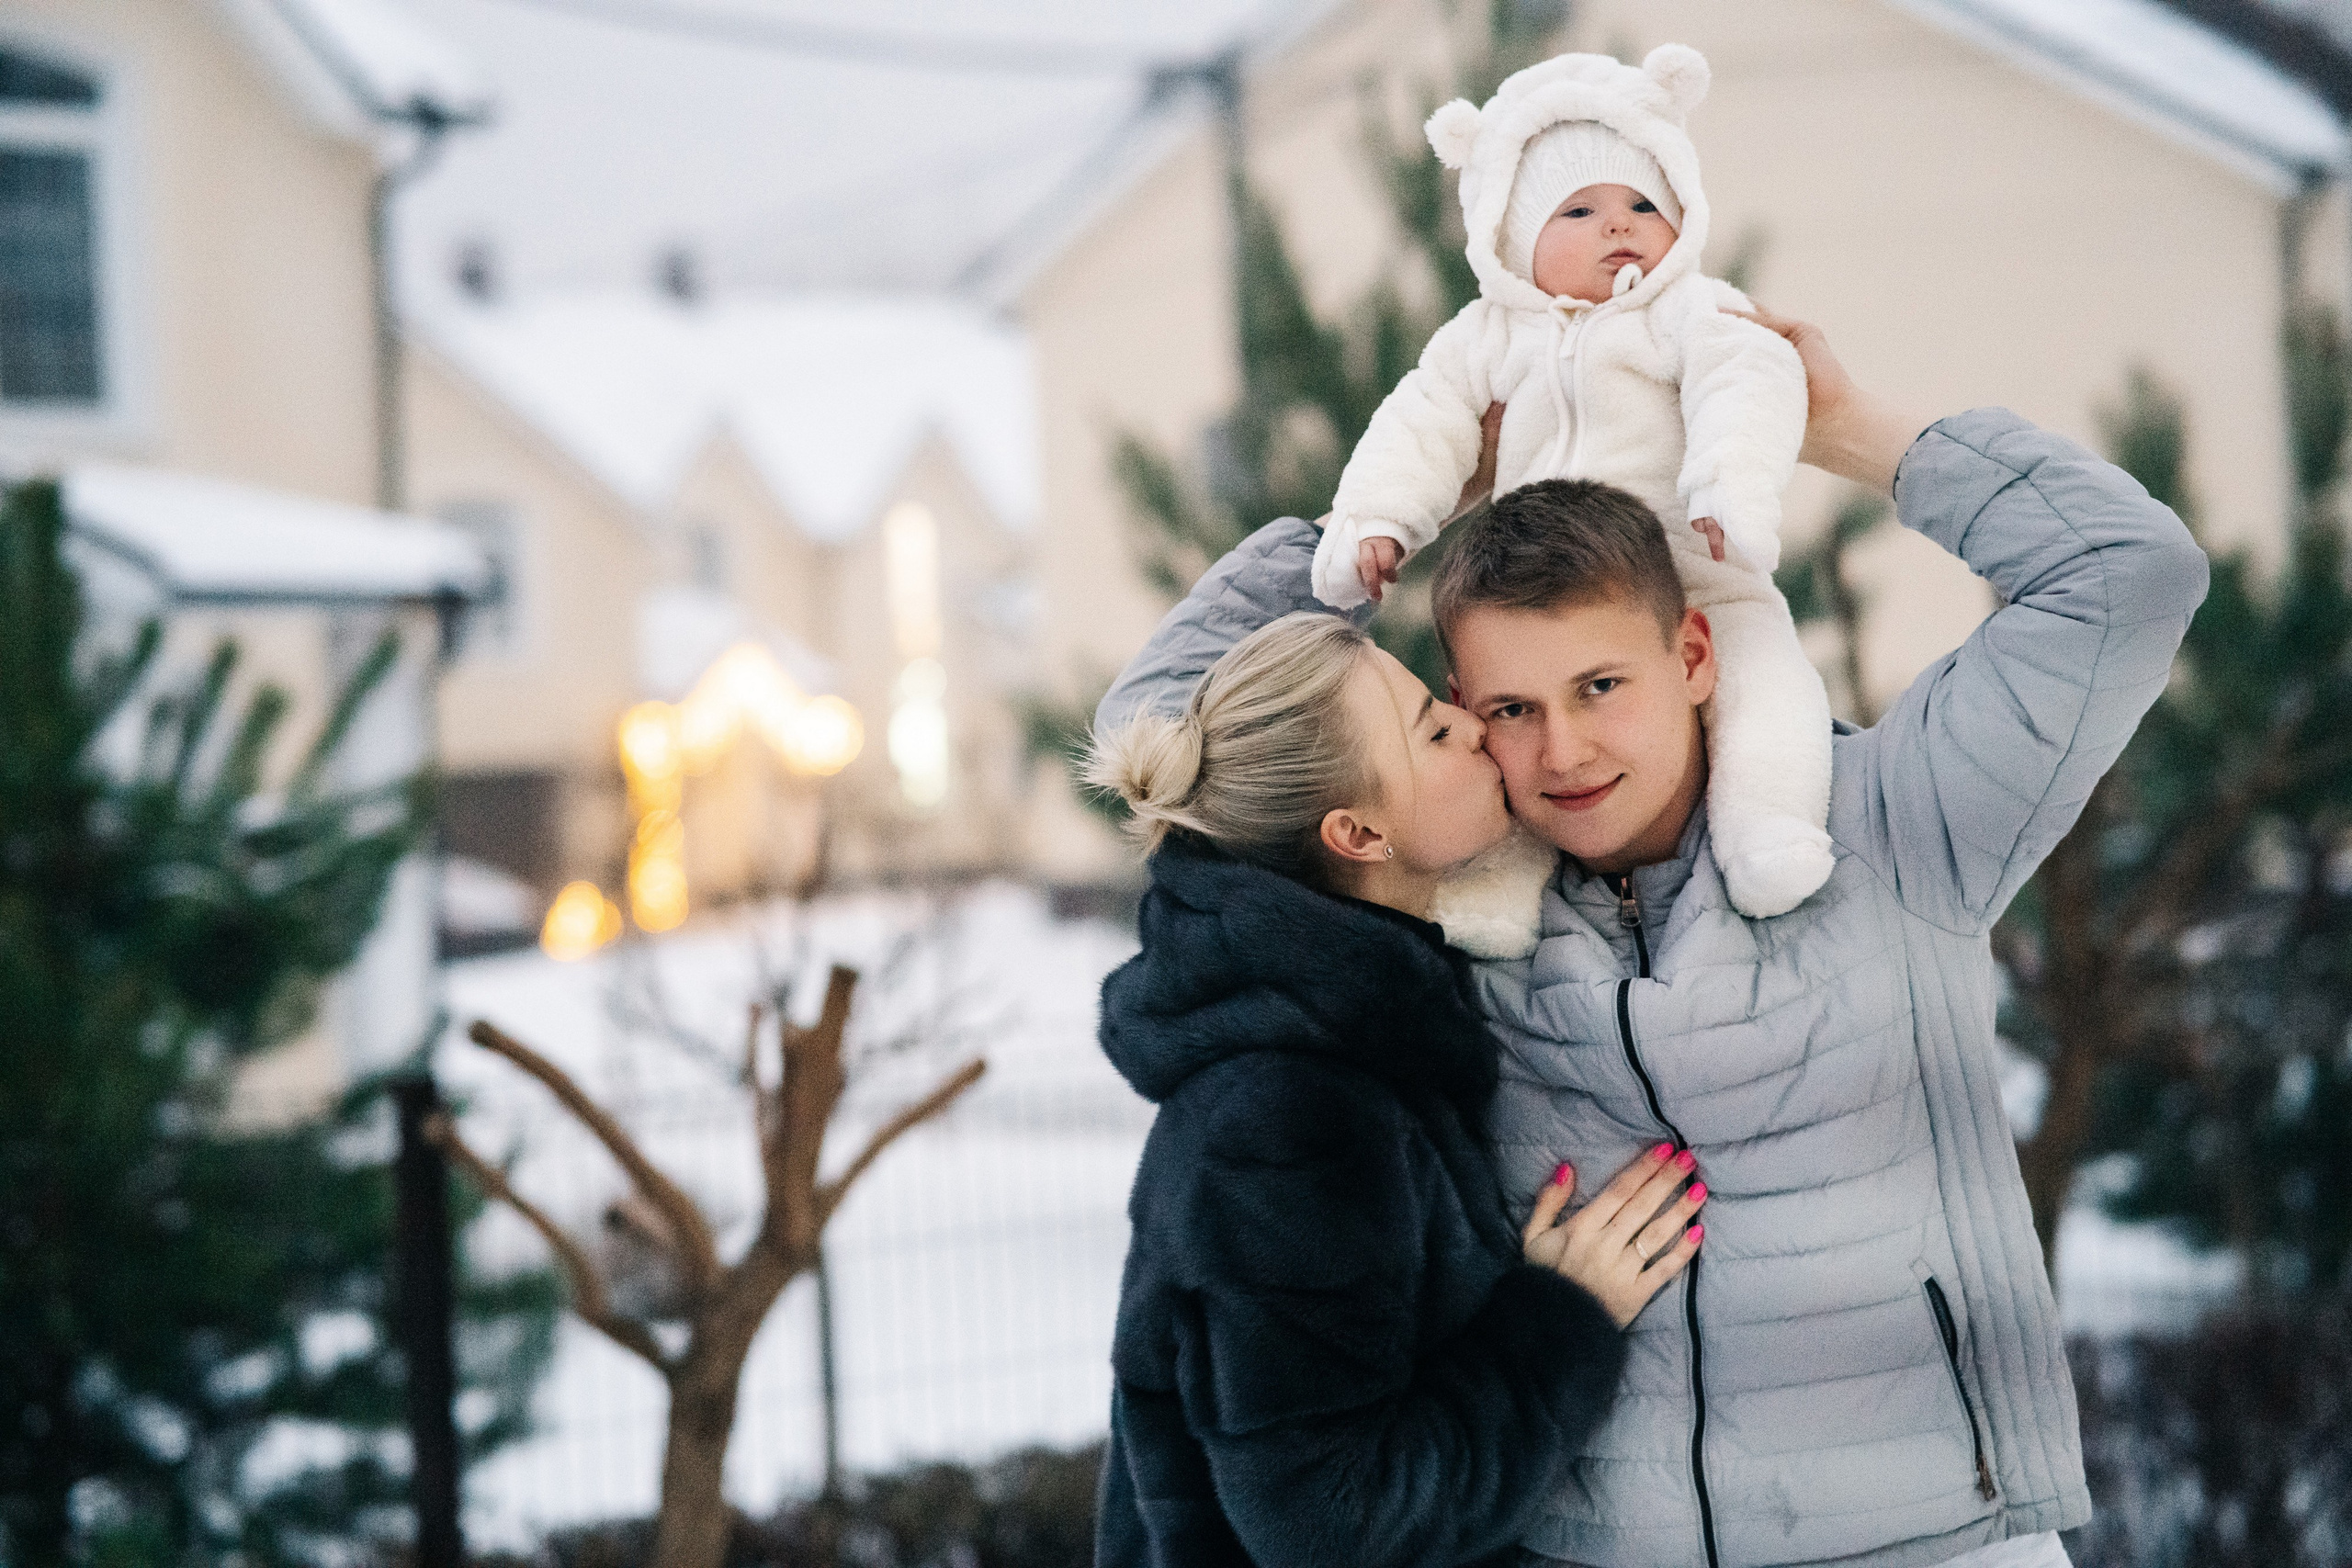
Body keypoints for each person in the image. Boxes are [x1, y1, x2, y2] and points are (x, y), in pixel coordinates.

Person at [1094, 310, 2210, 1568]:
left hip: (1933, 1538)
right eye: (1509, 708)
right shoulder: (1458, 910)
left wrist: (1837, 427)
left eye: (1600, 687)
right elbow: (1188, 742)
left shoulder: (1894, 825)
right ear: (1461, 709)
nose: (1563, 751)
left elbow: (2130, 572)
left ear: (1690, 653)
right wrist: (1407, 495)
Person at [1087, 609, 1709, 1568]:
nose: (1469, 723)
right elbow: (1337, 1519)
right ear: (1357, 831)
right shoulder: (1287, 1116)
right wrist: (1559, 1319)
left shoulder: (1341, 1032)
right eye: (1429, 729)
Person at [1313, 44, 1830, 919]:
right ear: (1512, 238)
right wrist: (1377, 517)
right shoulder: (1486, 335)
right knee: (1529, 767)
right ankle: (1496, 907)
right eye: (1580, 210)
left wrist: (1730, 480)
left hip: (1702, 567)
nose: (1619, 224)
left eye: (1643, 203)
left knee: (1770, 695)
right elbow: (1423, 419)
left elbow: (1750, 382)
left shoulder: (1691, 309)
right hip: (1538, 597)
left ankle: (1770, 829)